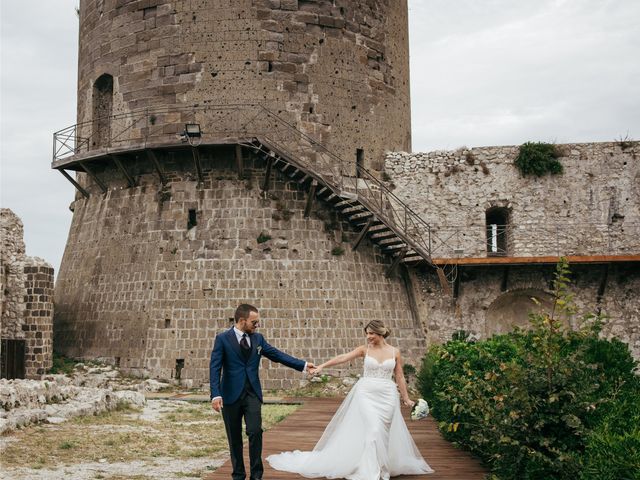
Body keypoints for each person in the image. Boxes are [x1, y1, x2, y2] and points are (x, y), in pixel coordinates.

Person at [267, 319, 434, 480]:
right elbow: (342, 358)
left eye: (371, 333)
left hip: (388, 396)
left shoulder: (394, 352)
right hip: (366, 394)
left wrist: (406, 399)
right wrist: (322, 366)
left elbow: (399, 375)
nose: (368, 337)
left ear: (380, 333)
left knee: (383, 434)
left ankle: (383, 467)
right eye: (367, 333)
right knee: (374, 430)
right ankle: (372, 472)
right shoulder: (364, 349)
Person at [210, 304, 315, 480]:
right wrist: (215, 394)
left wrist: (303, 365)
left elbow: (277, 355)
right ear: (242, 321)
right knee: (234, 437)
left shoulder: (258, 339)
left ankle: (256, 476)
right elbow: (214, 368)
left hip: (252, 394)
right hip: (230, 396)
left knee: (255, 431)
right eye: (254, 322)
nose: (257, 325)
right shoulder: (222, 339)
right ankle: (238, 475)